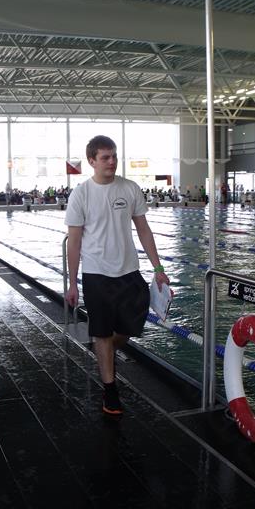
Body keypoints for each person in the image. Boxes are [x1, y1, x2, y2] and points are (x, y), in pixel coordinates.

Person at [64, 135, 169, 416]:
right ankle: (110, 390)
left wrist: (158, 268)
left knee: (130, 325)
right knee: (101, 332)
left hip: (129, 271)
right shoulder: (81, 194)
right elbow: (74, 242)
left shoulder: (129, 188)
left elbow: (143, 229)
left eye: (114, 156)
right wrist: (72, 283)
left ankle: (105, 352)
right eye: (105, 157)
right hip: (96, 274)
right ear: (92, 161)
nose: (112, 162)